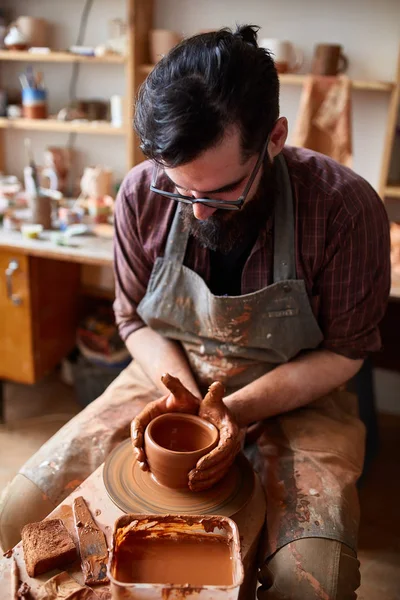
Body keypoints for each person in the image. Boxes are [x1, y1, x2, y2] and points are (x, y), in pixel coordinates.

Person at [0, 25, 390, 599]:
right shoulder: (139, 192)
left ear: (275, 137)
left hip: (299, 389)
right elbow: (133, 320)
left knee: (311, 581)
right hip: (170, 376)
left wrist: (231, 411)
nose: (199, 214)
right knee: (19, 516)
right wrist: (188, 401)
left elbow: (345, 352)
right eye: (179, 190)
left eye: (221, 191)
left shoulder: (344, 207)